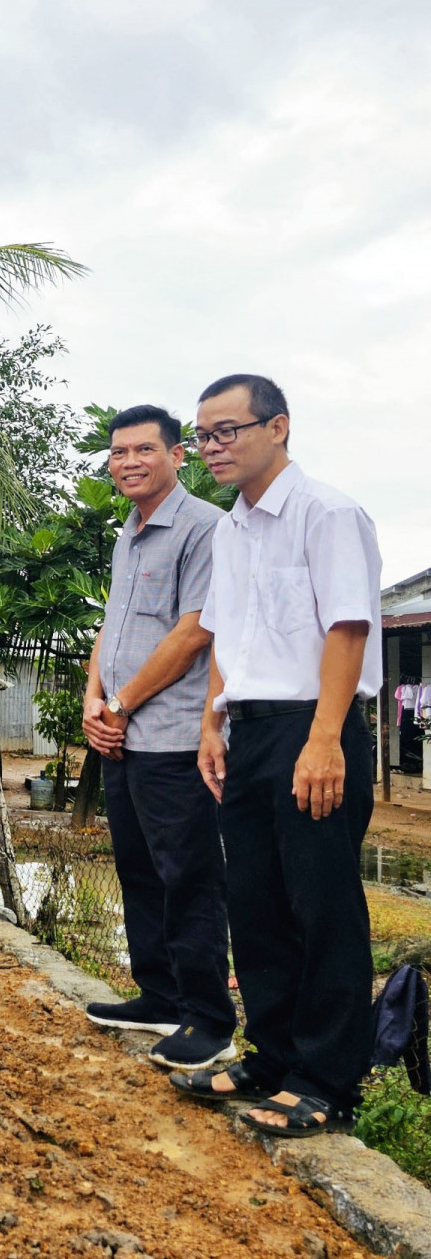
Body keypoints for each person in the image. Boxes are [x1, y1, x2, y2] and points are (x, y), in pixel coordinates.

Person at [172, 374, 382, 1138]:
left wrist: (325, 739)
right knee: (254, 900)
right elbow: (227, 636)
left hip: (312, 724)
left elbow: (348, 630)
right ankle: (271, 1055)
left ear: (279, 427)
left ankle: (327, 1080)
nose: (212, 448)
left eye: (227, 431)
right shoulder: (232, 529)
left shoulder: (325, 513)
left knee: (320, 904)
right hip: (248, 728)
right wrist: (211, 726)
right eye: (202, 435)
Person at [78, 405, 235, 1070]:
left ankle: (208, 1019)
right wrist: (92, 697)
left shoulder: (206, 529)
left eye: (144, 449)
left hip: (173, 738)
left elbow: (196, 630)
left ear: (178, 456)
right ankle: (160, 995)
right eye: (118, 453)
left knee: (189, 878)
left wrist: (119, 704)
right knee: (139, 871)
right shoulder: (127, 533)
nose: (129, 462)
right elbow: (111, 631)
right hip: (121, 738)